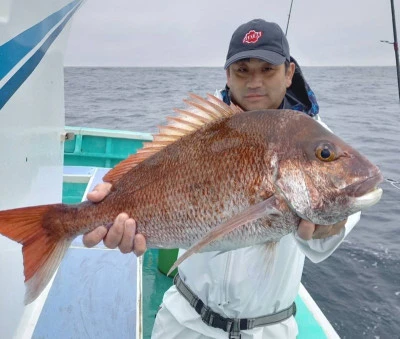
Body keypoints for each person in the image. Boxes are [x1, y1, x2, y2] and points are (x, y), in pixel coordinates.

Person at [83, 19, 360, 339]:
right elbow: (150, 169)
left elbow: (340, 212)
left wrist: (333, 223)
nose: (255, 82)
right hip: (184, 320)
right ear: (228, 75)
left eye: (267, 69)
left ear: (289, 73)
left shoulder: (315, 143)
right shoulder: (197, 133)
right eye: (243, 70)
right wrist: (113, 198)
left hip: (268, 329)